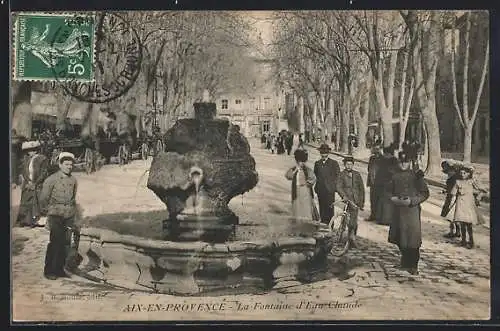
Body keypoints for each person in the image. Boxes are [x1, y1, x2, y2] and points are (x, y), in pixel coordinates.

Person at [387, 151, 429, 275]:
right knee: (400, 238)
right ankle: (405, 262)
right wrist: (392, 198)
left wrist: (413, 201)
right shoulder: (394, 176)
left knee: (413, 239)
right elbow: (388, 191)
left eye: (406, 162)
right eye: (401, 162)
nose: (403, 165)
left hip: (412, 212)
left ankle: (413, 265)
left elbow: (425, 193)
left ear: (410, 163)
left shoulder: (417, 176)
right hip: (398, 211)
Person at [40, 152, 78, 280]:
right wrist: (49, 213)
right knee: (55, 242)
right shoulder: (51, 180)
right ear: (60, 165)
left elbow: (73, 198)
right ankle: (49, 270)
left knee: (65, 243)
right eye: (66, 164)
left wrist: (73, 216)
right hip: (55, 214)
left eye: (71, 165)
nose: (69, 167)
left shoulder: (73, 180)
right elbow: (43, 199)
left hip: (68, 215)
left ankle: (60, 269)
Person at [16, 140, 50, 227]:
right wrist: (28, 181)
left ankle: (39, 220)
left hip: (38, 183)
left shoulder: (42, 159)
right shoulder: (27, 159)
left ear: (36, 150)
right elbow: (24, 171)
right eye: (28, 150)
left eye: (32, 150)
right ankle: (26, 220)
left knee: (39, 200)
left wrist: (35, 183)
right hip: (29, 182)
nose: (30, 152)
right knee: (27, 198)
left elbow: (44, 173)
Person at [336, 156, 365, 248]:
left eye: (350, 164)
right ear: (344, 165)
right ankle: (340, 237)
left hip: (355, 201)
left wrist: (361, 202)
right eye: (347, 164)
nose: (349, 166)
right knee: (345, 219)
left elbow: (361, 189)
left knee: (354, 220)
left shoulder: (357, 174)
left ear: (353, 165)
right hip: (346, 200)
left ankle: (352, 238)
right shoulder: (341, 174)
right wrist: (344, 196)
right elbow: (338, 187)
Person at [450, 165, 481, 249]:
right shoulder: (457, 182)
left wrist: (477, 196)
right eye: (461, 173)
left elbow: (480, 190)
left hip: (469, 205)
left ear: (468, 174)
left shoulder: (472, 182)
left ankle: (471, 241)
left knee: (469, 224)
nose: (463, 174)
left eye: (465, 173)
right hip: (460, 204)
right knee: (462, 223)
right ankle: (463, 240)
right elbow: (453, 193)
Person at [285, 149, 319, 221]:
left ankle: (307, 222)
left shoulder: (307, 170)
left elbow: (313, 178)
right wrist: (295, 170)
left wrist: (307, 183)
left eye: (301, 162)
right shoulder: (294, 169)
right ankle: (298, 221)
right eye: (299, 162)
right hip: (296, 190)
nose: (300, 163)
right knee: (297, 206)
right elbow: (288, 176)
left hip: (305, 190)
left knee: (306, 207)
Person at [313, 143, 341, 224]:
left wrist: (333, 186)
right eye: (322, 153)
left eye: (325, 153)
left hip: (330, 190)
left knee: (330, 209)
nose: (323, 154)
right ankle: (323, 225)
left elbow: (338, 176)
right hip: (320, 189)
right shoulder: (317, 163)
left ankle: (330, 226)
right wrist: (316, 187)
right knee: (322, 208)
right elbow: (316, 176)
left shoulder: (334, 163)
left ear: (328, 153)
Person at [374, 143, 398, 225]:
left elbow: (379, 171)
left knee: (383, 201)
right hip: (389, 182)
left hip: (382, 182)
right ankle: (387, 219)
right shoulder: (394, 160)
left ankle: (381, 218)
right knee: (388, 202)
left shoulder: (382, 160)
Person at [441, 161, 461, 239]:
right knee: (451, 215)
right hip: (450, 196)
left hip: (453, 197)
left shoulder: (455, 178)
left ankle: (454, 231)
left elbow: (454, 188)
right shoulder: (452, 176)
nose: (448, 173)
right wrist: (445, 190)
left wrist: (449, 192)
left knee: (451, 215)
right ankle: (456, 231)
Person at [366, 144, 383, 222]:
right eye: (374, 149)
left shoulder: (382, 159)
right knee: (372, 200)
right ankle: (373, 215)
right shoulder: (371, 158)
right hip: (372, 182)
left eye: (377, 149)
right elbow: (369, 169)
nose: (376, 150)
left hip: (379, 183)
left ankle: (378, 216)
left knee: (379, 199)